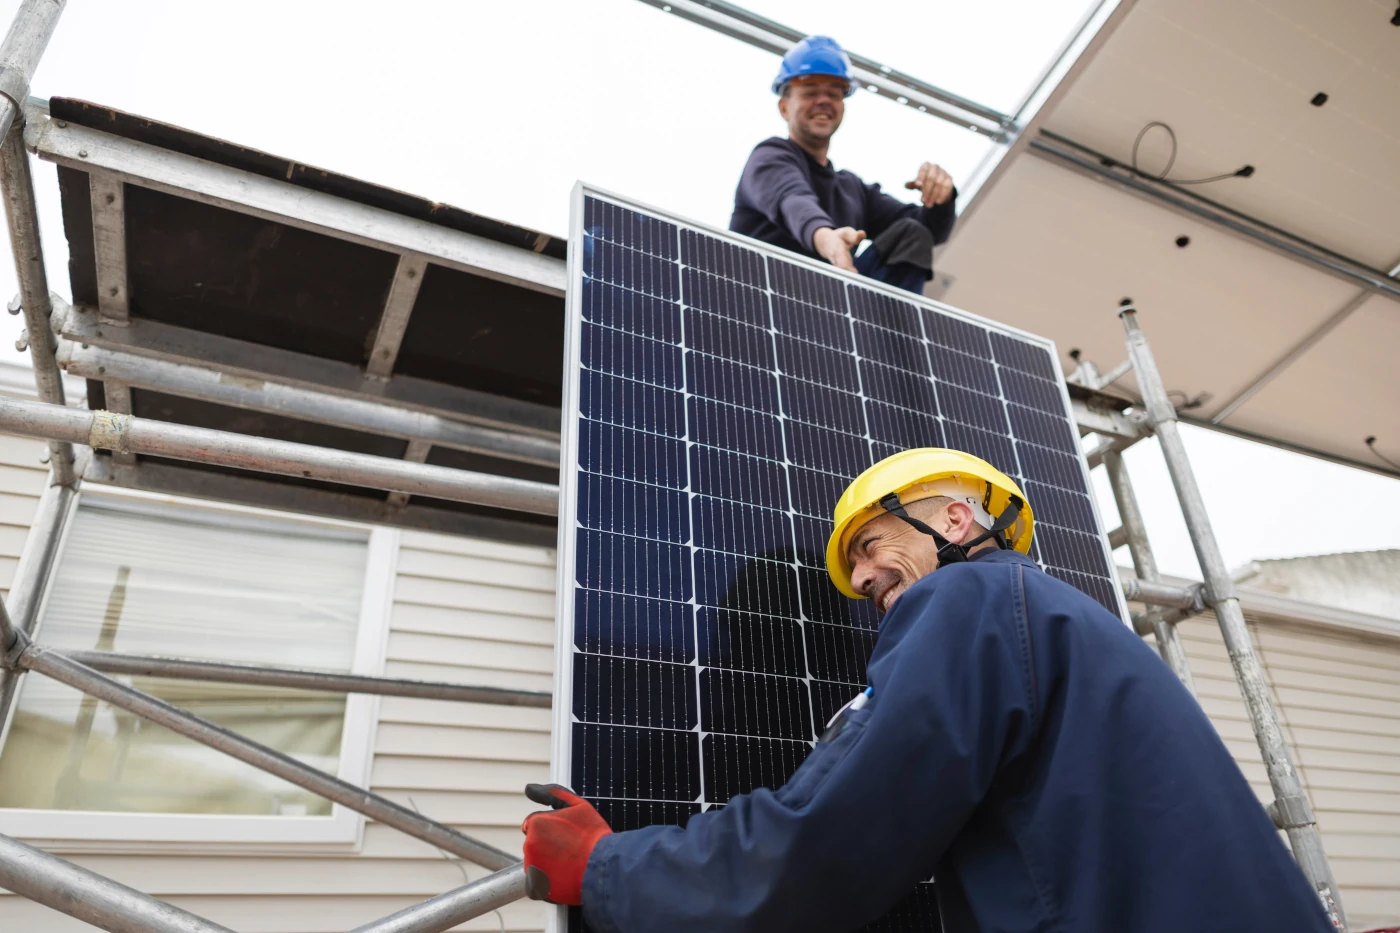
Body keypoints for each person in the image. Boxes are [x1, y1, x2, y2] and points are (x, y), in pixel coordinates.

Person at [520, 448, 1336, 933]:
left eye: (871, 543)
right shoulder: (1061, 618)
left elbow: (834, 834)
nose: (861, 578)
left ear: (953, 520)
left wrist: (609, 867)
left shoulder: (967, 599)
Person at [729, 36, 957, 295]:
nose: (823, 100)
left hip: (837, 305)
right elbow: (793, 201)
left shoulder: (852, 189)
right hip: (767, 302)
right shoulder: (769, 158)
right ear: (784, 108)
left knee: (912, 233)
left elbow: (928, 232)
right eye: (810, 92)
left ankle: (884, 322)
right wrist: (826, 238)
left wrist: (941, 198)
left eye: (834, 93)